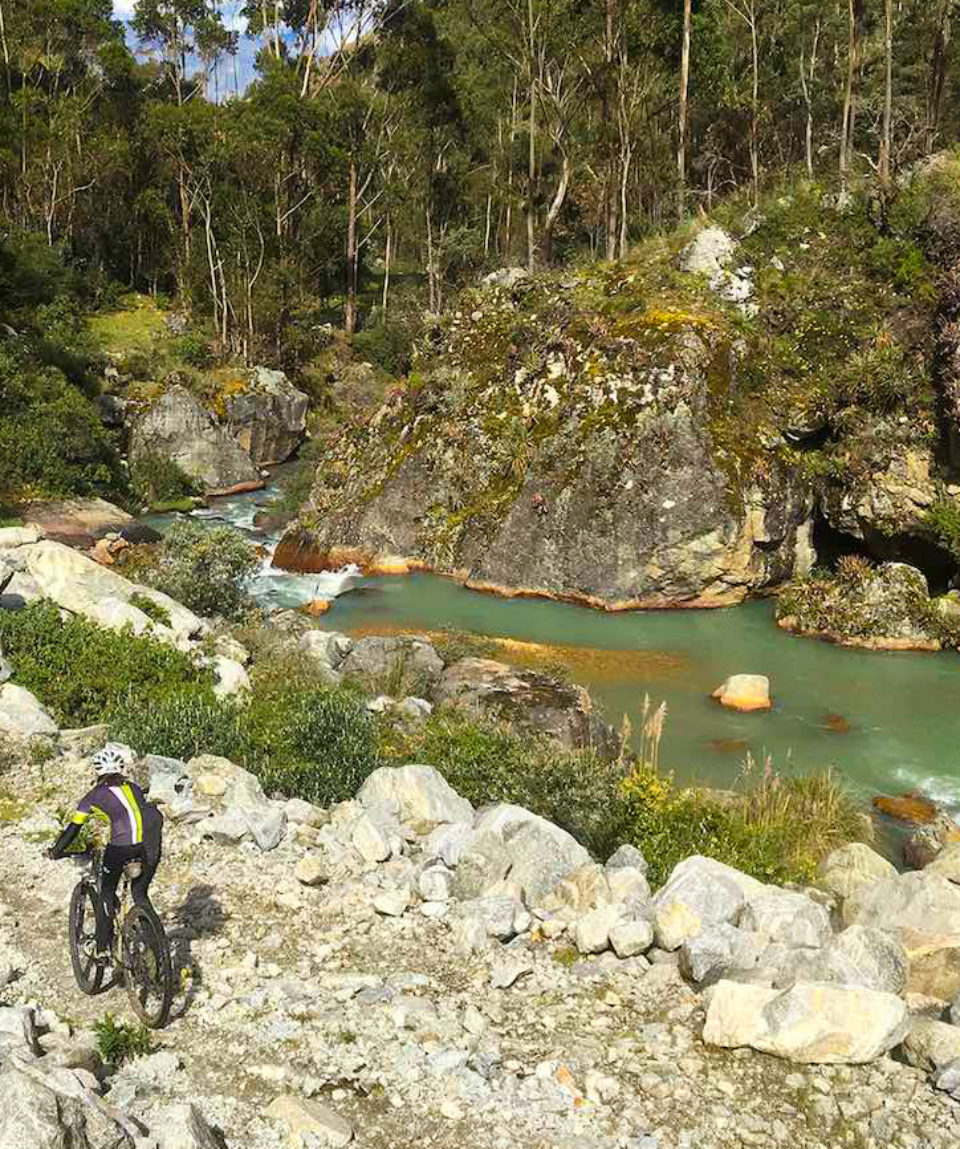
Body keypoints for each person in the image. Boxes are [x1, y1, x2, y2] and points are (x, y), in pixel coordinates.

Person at [48, 743, 164, 961]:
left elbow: (73, 829)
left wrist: (56, 850)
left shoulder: (93, 796)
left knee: (107, 893)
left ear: (97, 771)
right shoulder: (135, 788)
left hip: (120, 848)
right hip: (147, 845)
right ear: (120, 770)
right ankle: (158, 947)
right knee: (140, 893)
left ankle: (102, 948)